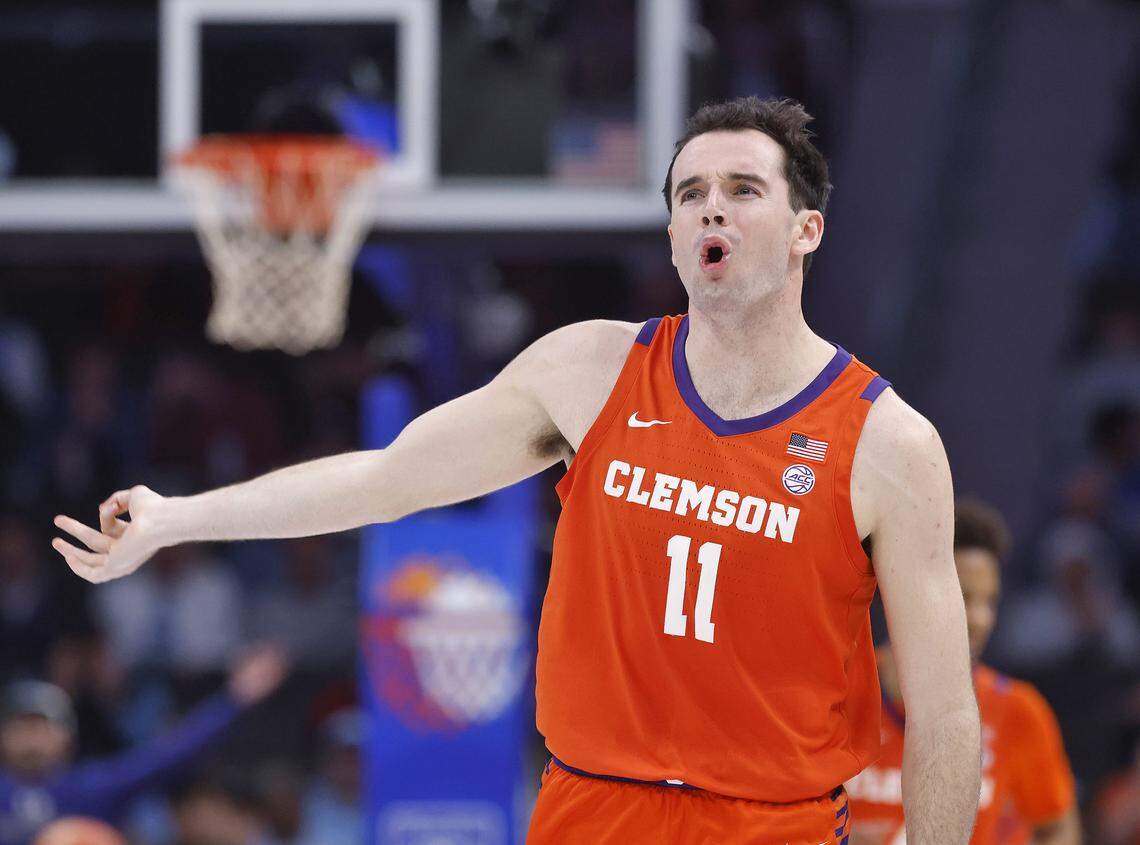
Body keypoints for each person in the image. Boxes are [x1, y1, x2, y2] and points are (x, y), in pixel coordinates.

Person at [51, 96, 979, 844]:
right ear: (669, 234)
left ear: (807, 228)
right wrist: (178, 518)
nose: (712, 206)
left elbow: (942, 714)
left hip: (772, 822)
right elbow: (386, 478)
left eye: (744, 188)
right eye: (691, 191)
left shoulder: (887, 443)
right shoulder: (589, 370)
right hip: (590, 810)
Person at [846, 500, 1080, 844]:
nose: (980, 620)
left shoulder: (1018, 711)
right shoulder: (836, 690)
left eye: (990, 601)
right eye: (963, 596)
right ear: (906, 590)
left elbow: (1058, 826)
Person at [0, 646, 287, 845]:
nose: (31, 736)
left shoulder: (94, 786)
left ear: (66, 736)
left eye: (41, 725)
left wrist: (234, 699)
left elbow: (169, 754)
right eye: (21, 725)